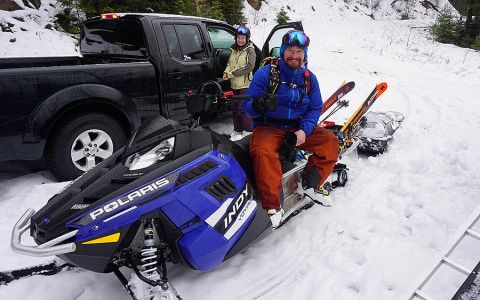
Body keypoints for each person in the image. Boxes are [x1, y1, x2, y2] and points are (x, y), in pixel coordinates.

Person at [243, 30, 339, 228]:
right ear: (283, 51)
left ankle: (310, 185)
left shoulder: (309, 79)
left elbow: (314, 108)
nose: (294, 55)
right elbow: (247, 107)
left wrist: (304, 130)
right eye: (290, 50)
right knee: (262, 152)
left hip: (297, 127)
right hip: (269, 127)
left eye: (299, 51)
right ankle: (273, 207)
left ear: (304, 54)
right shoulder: (266, 73)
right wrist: (259, 105)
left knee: (329, 142)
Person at [223, 25, 256, 141]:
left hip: (245, 85)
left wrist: (232, 73)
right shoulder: (233, 50)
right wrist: (226, 72)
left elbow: (250, 67)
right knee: (234, 109)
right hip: (234, 84)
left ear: (247, 39)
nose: (240, 40)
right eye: (238, 37)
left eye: (243, 38)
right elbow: (229, 64)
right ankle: (237, 130)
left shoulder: (250, 50)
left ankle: (247, 132)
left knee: (243, 109)